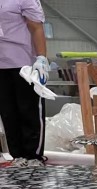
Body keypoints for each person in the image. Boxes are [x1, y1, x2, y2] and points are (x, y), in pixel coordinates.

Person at [0, 0, 49, 166]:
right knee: (7, 112)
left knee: (28, 110)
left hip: (24, 63)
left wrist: (41, 58)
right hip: (1, 65)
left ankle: (33, 155)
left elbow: (36, 27)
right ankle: (17, 155)